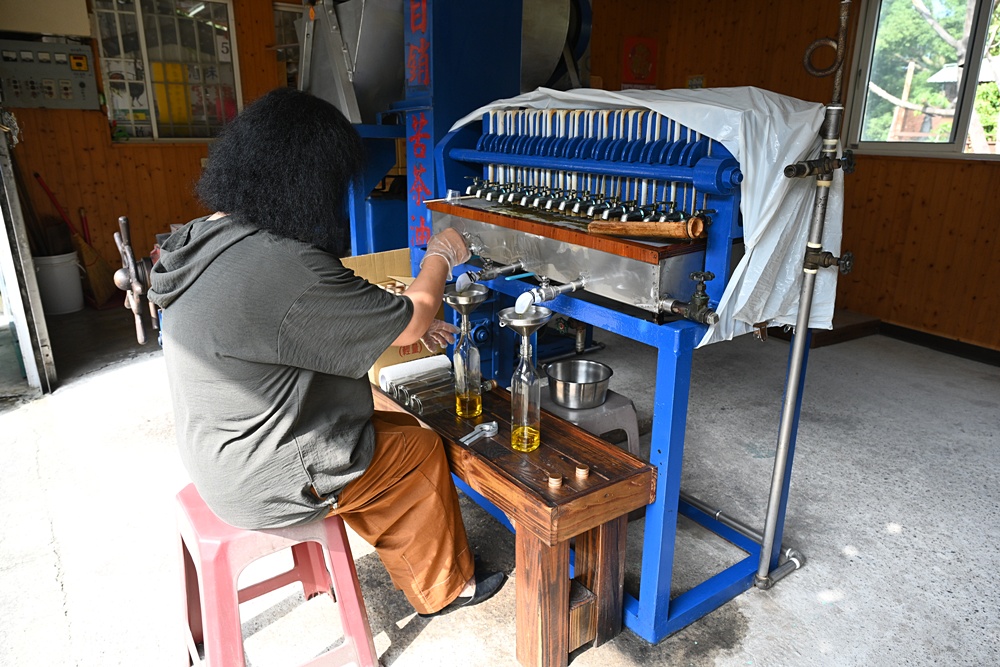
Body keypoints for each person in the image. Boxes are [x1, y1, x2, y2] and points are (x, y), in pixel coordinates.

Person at [148, 88, 505, 618]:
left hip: (216, 454)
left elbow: (294, 322)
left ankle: (399, 541)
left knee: (387, 424)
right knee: (419, 453)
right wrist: (440, 255)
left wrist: (385, 324)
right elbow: (412, 321)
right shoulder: (282, 265)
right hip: (261, 477)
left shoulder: (202, 238)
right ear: (310, 180)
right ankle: (445, 589)